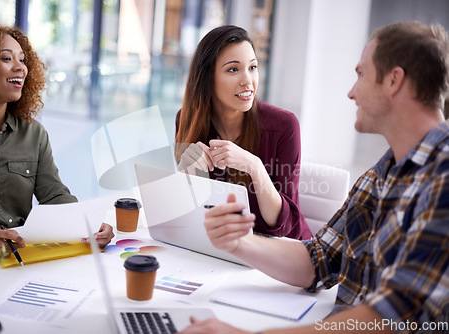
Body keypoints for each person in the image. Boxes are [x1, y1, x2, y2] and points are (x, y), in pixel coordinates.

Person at [179, 20, 449, 334]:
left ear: (393, 81)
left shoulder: (442, 180)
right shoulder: (381, 175)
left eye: (360, 74)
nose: (350, 92)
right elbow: (318, 259)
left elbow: (394, 318)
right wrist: (239, 242)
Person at [0, 22, 114, 251]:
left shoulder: (34, 133)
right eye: (6, 58)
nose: (21, 68)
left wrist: (89, 224)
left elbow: (54, 194)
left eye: (23, 60)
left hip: (20, 256)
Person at [174, 25, 312, 239]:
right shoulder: (187, 119)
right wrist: (184, 176)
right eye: (233, 69)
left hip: (283, 252)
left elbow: (285, 226)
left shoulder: (284, 125)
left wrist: (254, 166)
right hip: (224, 249)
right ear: (207, 79)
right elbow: (186, 214)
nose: (248, 80)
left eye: (253, 67)